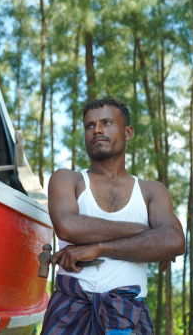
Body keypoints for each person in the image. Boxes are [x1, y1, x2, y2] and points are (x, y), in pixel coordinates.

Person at [40, 96, 185, 335]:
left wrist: (98, 248)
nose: (97, 130)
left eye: (106, 123)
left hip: (126, 313)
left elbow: (175, 240)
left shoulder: (151, 190)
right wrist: (146, 232)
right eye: (90, 125)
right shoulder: (68, 179)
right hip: (69, 308)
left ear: (128, 133)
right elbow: (67, 226)